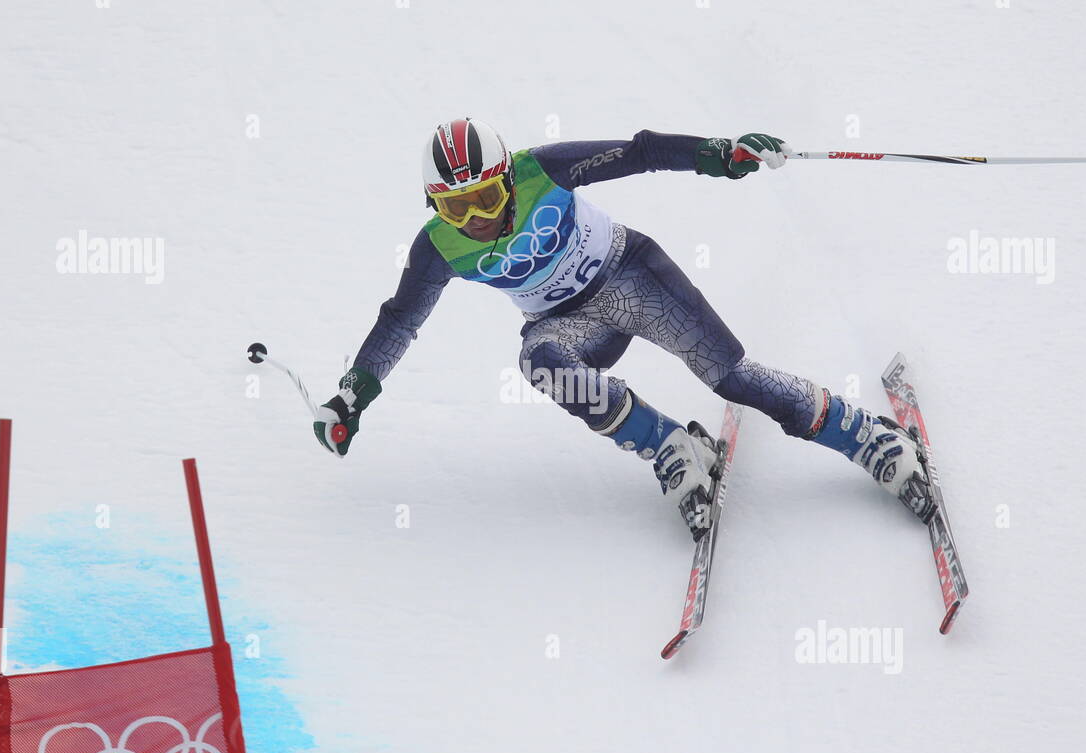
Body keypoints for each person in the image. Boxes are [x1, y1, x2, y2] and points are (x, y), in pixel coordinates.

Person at [316, 118, 934, 538]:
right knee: (541, 362)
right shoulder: (438, 248)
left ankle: (867, 437)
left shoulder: (540, 171)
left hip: (632, 276)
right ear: (436, 207)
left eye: (485, 197)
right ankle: (673, 448)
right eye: (457, 207)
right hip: (569, 323)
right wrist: (355, 392)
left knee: (732, 379)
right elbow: (400, 319)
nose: (478, 219)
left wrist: (719, 154)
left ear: (506, 177)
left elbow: (638, 151)